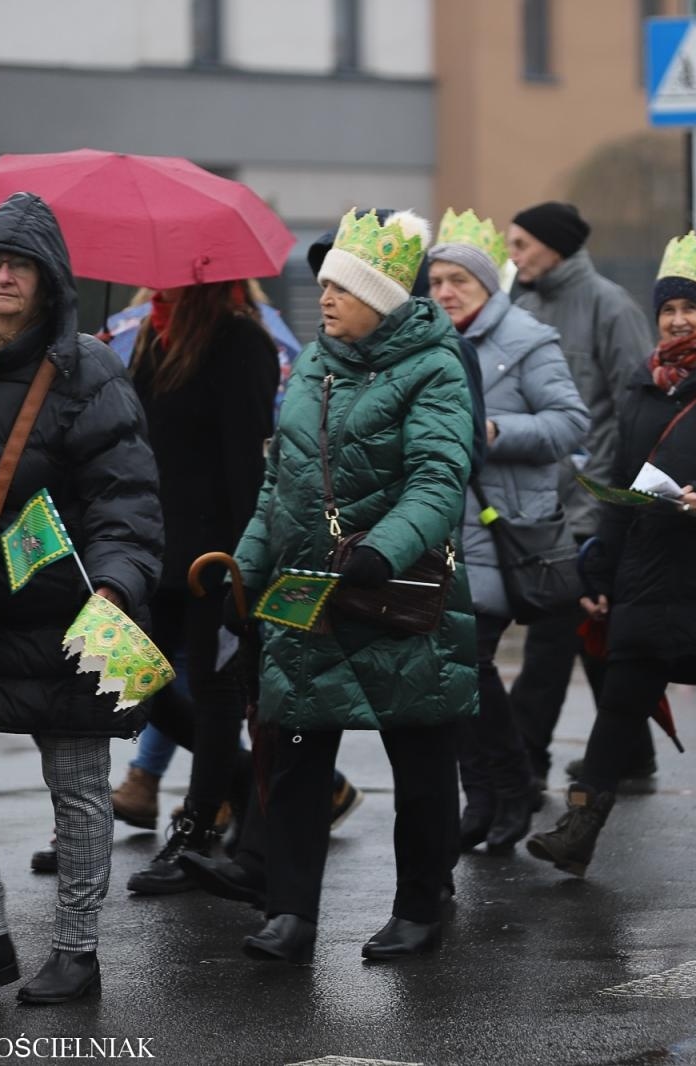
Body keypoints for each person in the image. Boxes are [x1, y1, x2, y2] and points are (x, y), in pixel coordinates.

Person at [0, 192, 163, 1003]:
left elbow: (126, 495)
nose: (4, 275)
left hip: (69, 613)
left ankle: (77, 953)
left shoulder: (90, 371)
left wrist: (118, 583)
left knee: (78, 787)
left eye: (20, 264)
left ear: (50, 281)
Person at [228, 208, 477, 963]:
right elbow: (283, 479)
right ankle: (291, 912)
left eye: (341, 285)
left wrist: (386, 550)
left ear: (383, 298)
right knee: (299, 753)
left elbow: (441, 480)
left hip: (397, 596)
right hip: (308, 594)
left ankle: (422, 904)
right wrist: (245, 563)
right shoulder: (311, 362)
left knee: (421, 758)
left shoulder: (436, 366)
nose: (325, 296)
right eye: (324, 283)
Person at [527, 231, 696, 879]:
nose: (678, 319)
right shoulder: (641, 390)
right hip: (653, 576)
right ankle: (581, 826)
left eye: (691, 307)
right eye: (668, 310)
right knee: (622, 696)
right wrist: (599, 567)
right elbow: (625, 487)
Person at [429, 209, 588, 855]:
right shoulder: (429, 341)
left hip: (504, 530)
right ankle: (485, 796)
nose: (445, 292)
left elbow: (570, 424)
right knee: (452, 668)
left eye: (458, 279)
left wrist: (496, 433)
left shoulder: (527, 338)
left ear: (488, 284)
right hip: (442, 529)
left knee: (468, 662)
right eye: (436, 280)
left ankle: (513, 785)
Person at [120, 280, 281, 894]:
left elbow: (249, 462)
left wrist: (249, 568)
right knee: (127, 677)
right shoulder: (145, 339)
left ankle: (197, 831)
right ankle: (239, 782)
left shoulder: (240, 342)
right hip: (149, 543)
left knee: (215, 692)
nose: (157, 283)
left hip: (214, 553)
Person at [506, 202, 657, 791]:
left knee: (550, 636)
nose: (512, 256)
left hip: (586, 507)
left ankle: (522, 760)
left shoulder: (610, 306)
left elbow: (632, 411)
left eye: (522, 244)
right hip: (535, 503)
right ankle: (631, 755)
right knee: (589, 634)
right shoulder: (519, 306)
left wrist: (607, 503)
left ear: (555, 247)